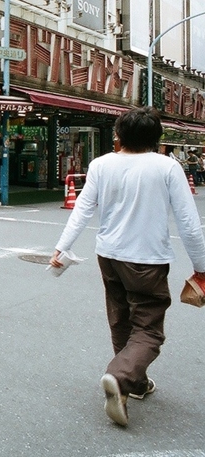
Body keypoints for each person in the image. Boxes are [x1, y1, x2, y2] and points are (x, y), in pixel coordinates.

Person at [50, 107, 205, 428]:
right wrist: (201, 267)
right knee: (148, 328)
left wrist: (63, 246)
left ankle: (134, 382)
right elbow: (190, 225)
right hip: (147, 258)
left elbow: (82, 209)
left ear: (118, 136)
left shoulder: (101, 164)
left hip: (108, 255)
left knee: (120, 317)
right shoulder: (167, 167)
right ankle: (122, 377)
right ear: (158, 139)